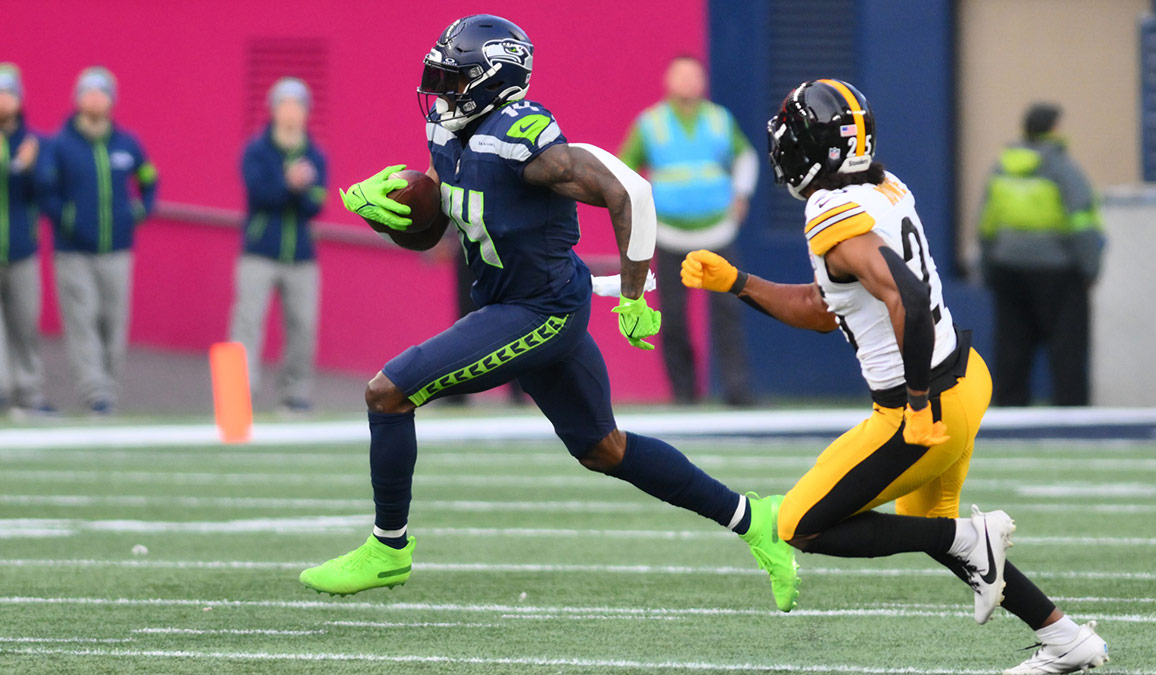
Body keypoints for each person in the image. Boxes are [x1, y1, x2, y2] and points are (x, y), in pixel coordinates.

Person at [300, 14, 798, 613]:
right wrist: (394, 217)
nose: (442, 92)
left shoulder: (526, 141)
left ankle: (388, 548)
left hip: (539, 309)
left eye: (456, 80)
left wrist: (638, 294)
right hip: (517, 301)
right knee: (604, 449)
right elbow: (442, 219)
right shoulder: (446, 130)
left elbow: (631, 192)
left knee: (387, 392)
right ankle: (755, 520)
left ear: (494, 81)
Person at [682, 80, 1108, 674]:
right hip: (966, 375)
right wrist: (737, 282)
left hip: (923, 406)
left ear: (812, 149)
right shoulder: (881, 186)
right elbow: (824, 309)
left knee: (798, 525)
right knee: (930, 526)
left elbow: (901, 294)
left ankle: (967, 539)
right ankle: (1066, 638)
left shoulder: (828, 210)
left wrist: (916, 402)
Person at [619, 56, 756, 405]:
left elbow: (746, 157)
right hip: (668, 236)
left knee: (728, 314)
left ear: (703, 81)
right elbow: (623, 169)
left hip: (718, 234)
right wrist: (638, 210)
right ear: (668, 80)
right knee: (674, 318)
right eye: (680, 75)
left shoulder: (719, 119)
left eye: (694, 75)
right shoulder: (650, 124)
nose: (687, 82)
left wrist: (741, 194)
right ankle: (684, 393)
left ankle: (737, 390)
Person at [41, 67, 157, 415]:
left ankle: (109, 388)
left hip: (117, 250)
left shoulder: (128, 144)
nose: (94, 98)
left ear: (111, 100)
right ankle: (95, 393)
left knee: (112, 321)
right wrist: (69, 219)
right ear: (77, 100)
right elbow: (47, 193)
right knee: (83, 320)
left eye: (101, 92)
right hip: (73, 251)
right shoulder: (60, 145)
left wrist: (138, 211)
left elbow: (150, 180)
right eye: (88, 92)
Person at [978, 102, 1103, 407]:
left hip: (1007, 267)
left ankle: (1010, 413)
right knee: (1067, 347)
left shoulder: (1002, 165)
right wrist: (1090, 268)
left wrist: (987, 266)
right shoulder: (1062, 168)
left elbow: (986, 222)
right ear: (1055, 129)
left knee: (1011, 345)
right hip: (1057, 271)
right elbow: (1082, 222)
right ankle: (1071, 414)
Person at [229, 77, 328, 414]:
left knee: (303, 327)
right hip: (258, 252)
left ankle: (295, 394)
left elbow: (317, 203)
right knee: (246, 323)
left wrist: (302, 189)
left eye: (297, 105)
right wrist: (289, 183)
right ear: (273, 110)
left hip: (301, 255)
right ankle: (235, 397)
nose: (290, 112)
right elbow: (260, 193)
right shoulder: (256, 150)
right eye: (284, 104)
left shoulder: (315, 154)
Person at [0, 63, 55, 417]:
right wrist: (15, 168)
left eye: (9, 94)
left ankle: (29, 392)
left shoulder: (34, 142)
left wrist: (32, 169)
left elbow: (45, 191)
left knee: (25, 325)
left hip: (22, 248)